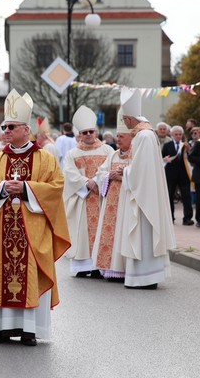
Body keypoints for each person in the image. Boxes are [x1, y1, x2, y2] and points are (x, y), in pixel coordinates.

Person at [0, 89, 70, 346]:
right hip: (3, 231)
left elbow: (55, 188)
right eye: (5, 126)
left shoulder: (45, 159)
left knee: (28, 273)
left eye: (11, 126)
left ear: (25, 130)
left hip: (32, 229)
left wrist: (27, 189)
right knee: (0, 273)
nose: (5, 130)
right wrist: (2, 188)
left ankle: (29, 329)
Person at [117, 88, 175, 289]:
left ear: (130, 119)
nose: (125, 124)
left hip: (143, 196)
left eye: (125, 120)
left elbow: (139, 172)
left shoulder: (143, 136)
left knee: (143, 235)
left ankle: (145, 278)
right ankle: (146, 277)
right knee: (144, 236)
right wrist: (129, 170)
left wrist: (124, 172)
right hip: (145, 191)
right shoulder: (146, 134)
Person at [63, 106, 114, 277]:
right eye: (85, 132)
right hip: (82, 199)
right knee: (81, 233)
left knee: (101, 230)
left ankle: (99, 265)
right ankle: (82, 267)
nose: (88, 135)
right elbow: (69, 174)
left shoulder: (108, 150)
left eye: (91, 131)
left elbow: (111, 169)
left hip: (101, 197)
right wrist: (86, 182)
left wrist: (98, 181)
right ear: (80, 134)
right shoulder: (73, 153)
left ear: (96, 131)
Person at [91, 110, 131, 282]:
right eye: (117, 136)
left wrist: (123, 176)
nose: (118, 139)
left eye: (121, 136)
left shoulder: (136, 154)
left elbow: (141, 178)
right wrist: (109, 176)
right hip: (110, 204)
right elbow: (100, 173)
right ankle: (111, 268)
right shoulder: (114, 154)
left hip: (127, 203)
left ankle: (124, 268)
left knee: (123, 233)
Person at [162, 125, 194, 225]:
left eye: (180, 134)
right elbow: (162, 157)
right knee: (169, 196)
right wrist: (165, 159)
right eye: (176, 134)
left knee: (186, 196)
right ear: (171, 135)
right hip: (170, 174)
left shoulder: (186, 145)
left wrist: (189, 151)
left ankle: (187, 218)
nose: (178, 136)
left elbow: (191, 158)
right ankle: (170, 217)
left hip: (183, 175)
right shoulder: (167, 145)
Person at [187, 127, 200, 227]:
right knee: (199, 199)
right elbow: (191, 156)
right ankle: (199, 220)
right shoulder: (199, 143)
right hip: (199, 176)